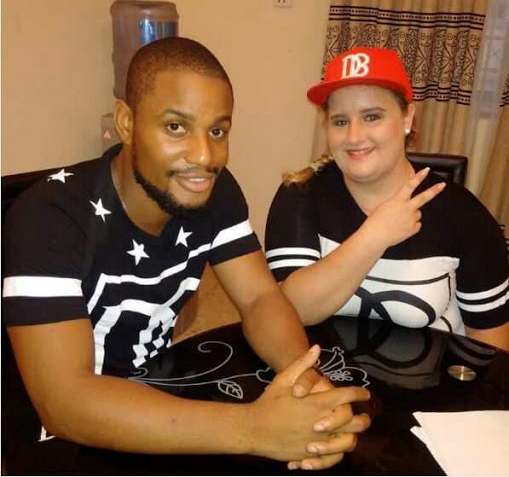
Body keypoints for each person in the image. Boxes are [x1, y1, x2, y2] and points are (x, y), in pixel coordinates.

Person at [2, 37, 371, 472]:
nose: (204, 156)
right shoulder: (49, 217)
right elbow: (63, 405)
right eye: (176, 127)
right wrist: (253, 429)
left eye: (217, 131)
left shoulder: (214, 192)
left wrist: (302, 380)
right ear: (126, 122)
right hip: (54, 437)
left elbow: (259, 298)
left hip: (155, 390)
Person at [265, 46, 509, 351]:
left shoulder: (465, 216)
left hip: (430, 378)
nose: (354, 137)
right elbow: (293, 312)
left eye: (372, 116)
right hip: (321, 374)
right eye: (340, 121)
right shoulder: (299, 194)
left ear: (407, 117)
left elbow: (491, 346)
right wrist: (376, 234)